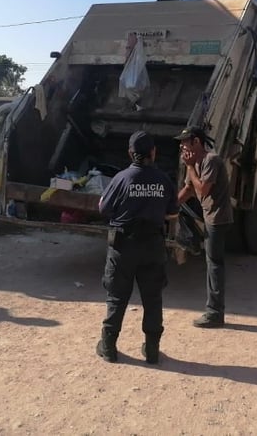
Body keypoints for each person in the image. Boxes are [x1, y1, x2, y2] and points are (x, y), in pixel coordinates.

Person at [97, 131, 178, 364]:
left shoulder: (121, 178)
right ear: (153, 152)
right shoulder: (163, 180)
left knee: (116, 297)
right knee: (152, 299)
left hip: (123, 248)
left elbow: (103, 208)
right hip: (153, 246)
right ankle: (152, 350)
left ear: (130, 153)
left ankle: (109, 347)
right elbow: (172, 213)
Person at [175, 126, 233, 329]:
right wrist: (168, 208)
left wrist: (190, 167)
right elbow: (189, 189)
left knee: (214, 264)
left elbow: (203, 191)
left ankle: (215, 313)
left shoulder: (211, 161)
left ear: (197, 142)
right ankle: (214, 310)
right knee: (211, 262)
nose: (182, 146)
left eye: (185, 142)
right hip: (208, 217)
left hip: (218, 218)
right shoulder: (195, 162)